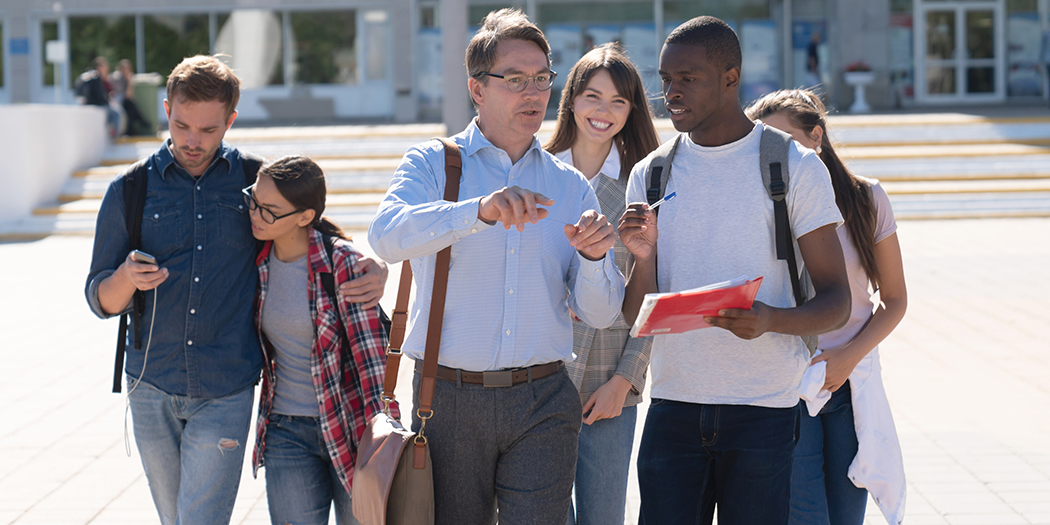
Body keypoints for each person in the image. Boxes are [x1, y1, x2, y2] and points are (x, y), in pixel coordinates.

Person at [85, 55, 387, 525]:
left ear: (231, 120)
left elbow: (308, 229)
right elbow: (100, 300)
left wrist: (373, 265)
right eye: (182, 124)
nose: (192, 140)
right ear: (166, 108)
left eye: (208, 130)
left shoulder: (253, 179)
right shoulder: (130, 190)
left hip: (225, 388)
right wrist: (125, 278)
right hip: (150, 384)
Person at [368, 9, 625, 525]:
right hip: (447, 399)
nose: (533, 93)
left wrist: (596, 260)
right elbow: (385, 236)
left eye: (541, 79)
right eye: (514, 80)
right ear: (477, 89)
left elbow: (599, 315)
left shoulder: (570, 184)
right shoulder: (430, 163)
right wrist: (477, 211)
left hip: (546, 396)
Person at [618, 16, 852, 525]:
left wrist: (770, 319)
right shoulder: (650, 174)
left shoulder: (793, 167)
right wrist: (641, 257)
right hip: (673, 405)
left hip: (764, 407)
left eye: (688, 78)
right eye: (665, 80)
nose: (671, 93)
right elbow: (636, 315)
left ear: (731, 78)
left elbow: (839, 302)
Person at [746, 89, 908, 525]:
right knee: (803, 514)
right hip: (786, 384)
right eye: (764, 145)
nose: (774, 156)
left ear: (816, 136)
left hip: (849, 386)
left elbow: (894, 301)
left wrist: (847, 358)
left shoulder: (867, 199)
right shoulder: (761, 206)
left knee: (846, 513)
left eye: (786, 141)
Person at [542, 42, 660, 525]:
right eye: (593, 96)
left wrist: (626, 379)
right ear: (571, 99)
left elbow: (657, 290)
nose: (603, 111)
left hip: (607, 382)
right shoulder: (537, 172)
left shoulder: (645, 182)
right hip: (538, 380)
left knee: (603, 517)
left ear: (632, 110)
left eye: (618, 101)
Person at [246, 155, 395, 525]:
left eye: (269, 210)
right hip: (285, 430)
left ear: (304, 216)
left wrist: (385, 440)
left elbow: (373, 361)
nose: (254, 214)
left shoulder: (341, 264)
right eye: (253, 200)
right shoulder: (256, 260)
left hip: (352, 428)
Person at [75, 56, 123, 138]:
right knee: (116, 113)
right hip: (96, 103)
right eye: (104, 66)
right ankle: (114, 134)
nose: (106, 68)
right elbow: (99, 95)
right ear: (99, 67)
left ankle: (112, 130)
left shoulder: (97, 78)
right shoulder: (95, 78)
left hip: (94, 103)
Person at [110, 59, 153, 136]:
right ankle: (142, 122)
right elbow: (127, 95)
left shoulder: (125, 79)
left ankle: (136, 126)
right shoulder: (117, 79)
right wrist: (130, 82)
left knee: (131, 107)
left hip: (124, 103)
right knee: (130, 105)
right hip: (117, 102)